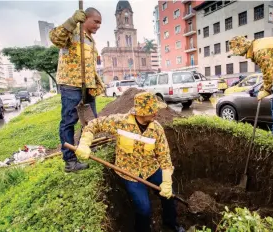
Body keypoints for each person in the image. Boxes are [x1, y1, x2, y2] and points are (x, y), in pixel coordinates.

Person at [75, 92, 184, 232]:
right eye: (152, 110)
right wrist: (85, 143)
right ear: (142, 112)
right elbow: (94, 124)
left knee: (169, 196)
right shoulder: (121, 122)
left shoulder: (157, 129)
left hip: (151, 168)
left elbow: (164, 156)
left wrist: (167, 181)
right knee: (144, 209)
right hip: (129, 173)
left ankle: (170, 222)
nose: (156, 113)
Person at [50, 8, 105, 172]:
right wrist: (72, 21)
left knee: (90, 120)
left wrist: (96, 83)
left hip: (87, 85)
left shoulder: (90, 40)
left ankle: (86, 147)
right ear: (85, 18)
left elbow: (90, 66)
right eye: (96, 21)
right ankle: (70, 161)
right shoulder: (72, 32)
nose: (98, 26)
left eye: (100, 23)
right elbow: (55, 38)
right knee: (69, 121)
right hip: (71, 84)